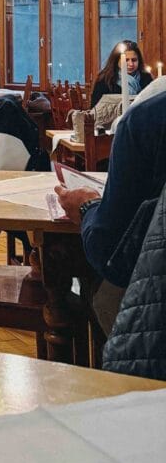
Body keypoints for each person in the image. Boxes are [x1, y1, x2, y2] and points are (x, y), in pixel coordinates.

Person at [55, 90, 166, 333]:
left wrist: (87, 206)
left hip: (152, 324)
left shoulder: (147, 121)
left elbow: (109, 252)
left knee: (98, 293)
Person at [90, 39, 152, 107]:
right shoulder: (105, 79)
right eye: (126, 60)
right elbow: (95, 107)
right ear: (117, 60)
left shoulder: (146, 77)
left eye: (134, 60)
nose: (131, 64)